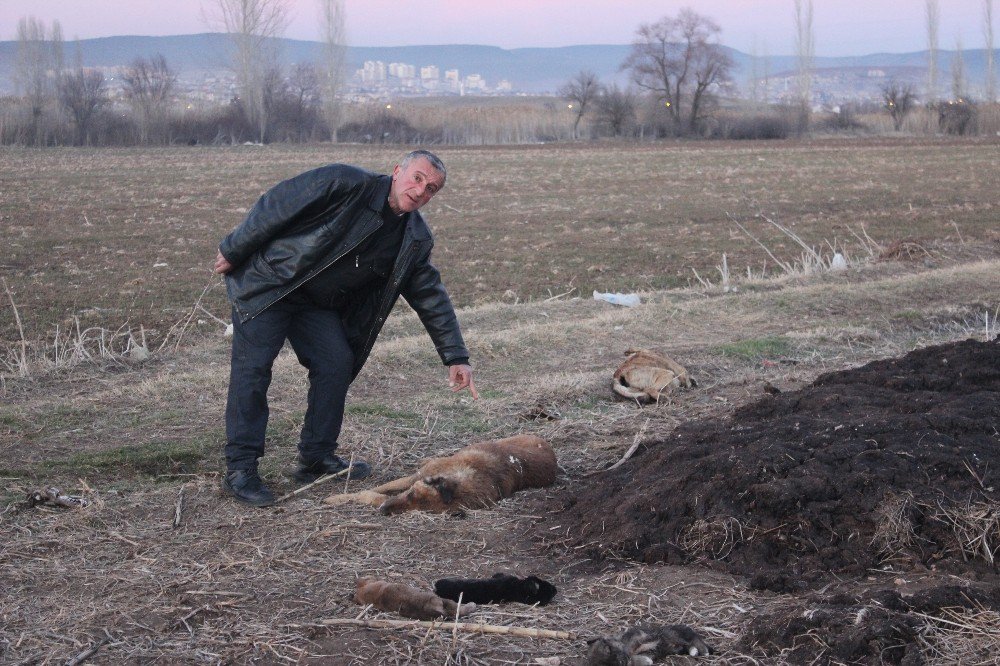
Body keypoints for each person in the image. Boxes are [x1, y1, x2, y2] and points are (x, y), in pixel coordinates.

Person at [213, 150, 478, 507]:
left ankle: (316, 457)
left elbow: (431, 296)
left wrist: (456, 356)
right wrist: (233, 248)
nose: (420, 191)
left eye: (431, 188)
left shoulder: (413, 239)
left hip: (315, 305)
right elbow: (276, 204)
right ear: (397, 170)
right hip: (271, 283)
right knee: (253, 370)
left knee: (336, 363)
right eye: (417, 178)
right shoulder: (344, 182)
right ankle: (241, 469)